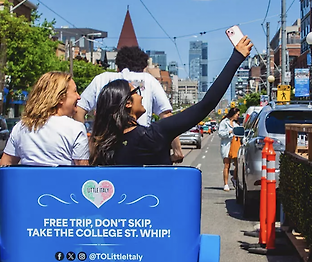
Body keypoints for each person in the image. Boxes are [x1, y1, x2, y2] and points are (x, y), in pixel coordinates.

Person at [91, 36, 253, 166]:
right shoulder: (152, 135)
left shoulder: (103, 145)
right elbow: (206, 105)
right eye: (137, 91)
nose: (141, 95)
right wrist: (236, 58)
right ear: (127, 103)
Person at [75, 45, 184, 163]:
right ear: (143, 66)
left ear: (118, 66)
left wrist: (85, 145)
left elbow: (79, 110)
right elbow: (166, 115)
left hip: (105, 149)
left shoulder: (101, 78)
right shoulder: (148, 79)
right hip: (139, 148)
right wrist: (177, 150)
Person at [0, 72, 89, 167]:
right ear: (60, 98)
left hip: (29, 182)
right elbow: (83, 174)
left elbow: (4, 167)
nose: (78, 97)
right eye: (75, 91)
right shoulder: (75, 129)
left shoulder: (21, 127)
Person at [218, 107, 240, 191]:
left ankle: (234, 178)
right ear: (233, 114)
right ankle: (226, 184)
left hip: (234, 146)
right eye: (237, 114)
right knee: (227, 165)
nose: (238, 116)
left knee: (237, 164)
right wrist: (229, 132)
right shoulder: (224, 122)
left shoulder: (236, 124)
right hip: (226, 146)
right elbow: (220, 133)